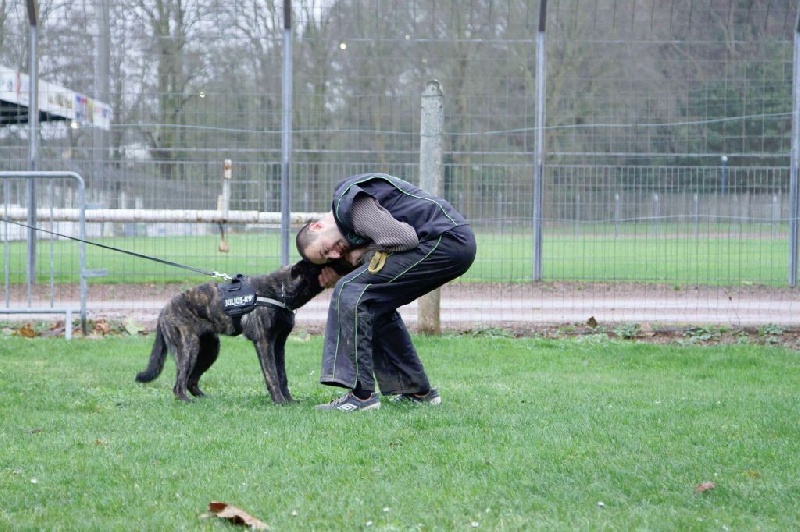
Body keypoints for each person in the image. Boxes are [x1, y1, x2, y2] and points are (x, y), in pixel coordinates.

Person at [295, 172, 477, 412]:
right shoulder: (349, 217)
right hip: (453, 242)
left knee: (350, 291)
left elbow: (404, 238)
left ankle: (361, 397)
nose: (335, 254)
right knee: (373, 303)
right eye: (329, 258)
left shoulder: (349, 205)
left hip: (444, 241)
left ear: (317, 226)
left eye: (324, 250)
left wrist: (364, 253)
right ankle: (417, 391)